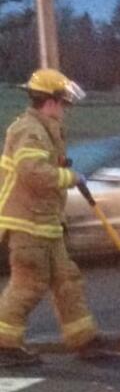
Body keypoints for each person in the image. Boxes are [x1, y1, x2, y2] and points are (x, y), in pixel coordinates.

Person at [0, 69, 109, 367]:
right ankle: (5, 346)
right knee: (29, 284)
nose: (66, 109)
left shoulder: (46, 129)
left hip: (46, 222)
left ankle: (84, 339)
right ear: (50, 102)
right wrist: (68, 176)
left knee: (67, 281)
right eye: (64, 103)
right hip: (26, 223)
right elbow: (32, 172)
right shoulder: (29, 130)